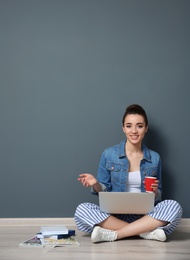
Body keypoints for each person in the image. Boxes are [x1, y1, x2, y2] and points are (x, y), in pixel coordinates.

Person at [74, 104, 183, 243]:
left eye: (139, 126)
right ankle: (145, 232)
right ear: (123, 128)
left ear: (146, 128)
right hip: (115, 216)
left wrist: (155, 192)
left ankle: (115, 234)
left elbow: (158, 194)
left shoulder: (155, 158)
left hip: (145, 216)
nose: (134, 131)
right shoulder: (109, 154)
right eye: (129, 125)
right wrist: (95, 184)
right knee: (82, 210)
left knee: (174, 207)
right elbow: (104, 190)